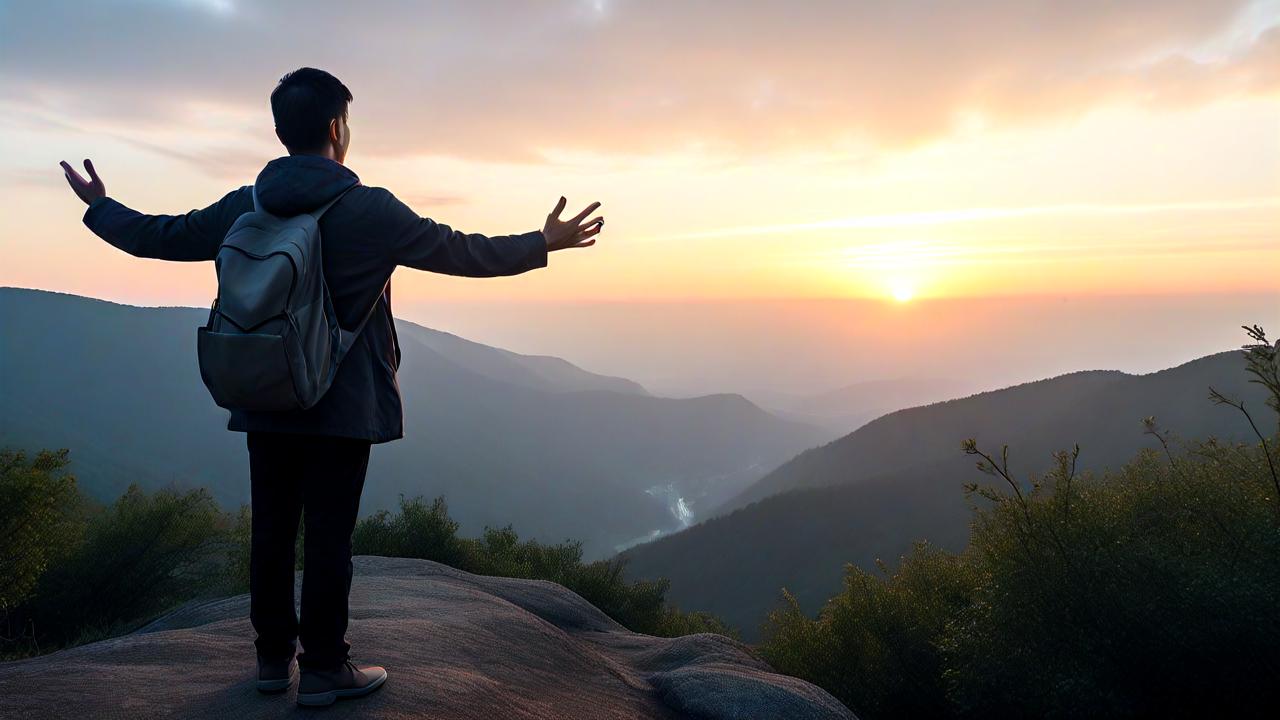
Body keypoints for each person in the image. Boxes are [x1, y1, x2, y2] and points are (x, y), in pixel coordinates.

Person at [59, 67, 603, 707]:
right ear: (338, 129)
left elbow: (163, 236)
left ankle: (270, 662)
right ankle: (322, 669)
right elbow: (461, 251)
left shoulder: (247, 204)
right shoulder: (369, 209)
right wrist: (543, 241)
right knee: (327, 539)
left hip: (264, 388)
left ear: (282, 130)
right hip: (340, 404)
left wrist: (100, 206)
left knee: (271, 530)